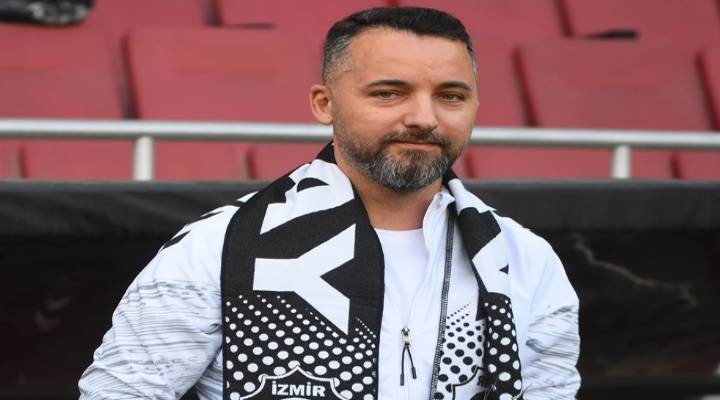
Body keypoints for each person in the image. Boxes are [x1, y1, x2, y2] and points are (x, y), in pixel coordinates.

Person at [79, 7, 580, 400]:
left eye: (450, 96)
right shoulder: (217, 245)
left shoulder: (524, 259)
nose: (424, 117)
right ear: (325, 104)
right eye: (389, 93)